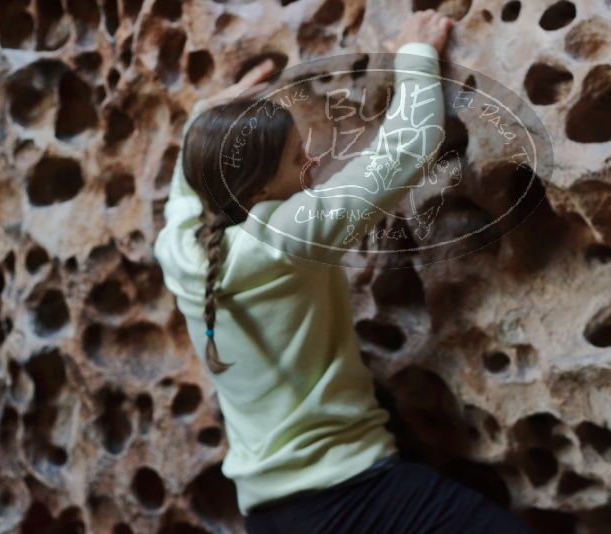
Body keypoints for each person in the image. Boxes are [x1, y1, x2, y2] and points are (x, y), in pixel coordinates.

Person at [153, 9, 532, 534]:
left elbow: (183, 188)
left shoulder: (177, 244)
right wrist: (415, 53)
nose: (310, 155)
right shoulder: (284, 235)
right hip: (354, 497)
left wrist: (204, 119)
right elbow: (409, 144)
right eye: (294, 157)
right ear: (259, 192)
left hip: (271, 515)